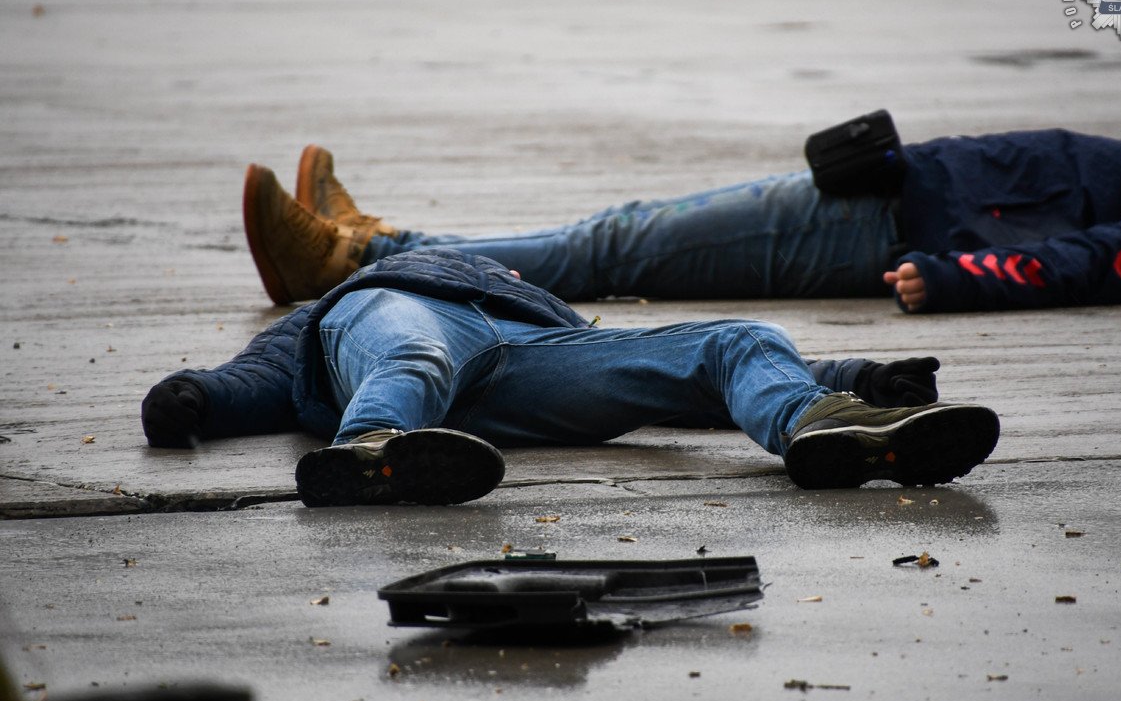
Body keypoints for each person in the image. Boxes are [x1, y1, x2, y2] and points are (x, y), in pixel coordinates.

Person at [142, 166, 1001, 508]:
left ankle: (827, 427)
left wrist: (857, 372)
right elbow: (264, 371)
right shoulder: (363, 297)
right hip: (401, 331)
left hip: (525, 364)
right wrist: (196, 397)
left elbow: (680, 383)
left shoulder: (534, 300)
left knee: (733, 339)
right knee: (418, 357)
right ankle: (371, 452)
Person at [243, 128, 1121, 313]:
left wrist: (959, 279)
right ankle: (380, 243)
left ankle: (354, 259)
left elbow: (1098, 261)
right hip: (894, 187)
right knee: (615, 235)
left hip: (884, 234)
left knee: (610, 249)